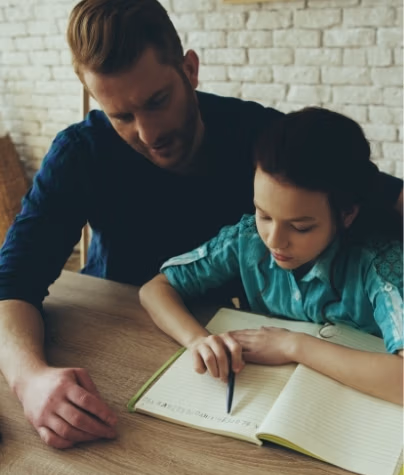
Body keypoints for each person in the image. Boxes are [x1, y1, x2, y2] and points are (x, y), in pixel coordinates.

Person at [0, 0, 402, 449]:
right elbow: (13, 279)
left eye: (158, 102)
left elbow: (381, 192)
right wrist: (29, 379)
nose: (148, 134)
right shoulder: (78, 153)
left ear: (189, 69)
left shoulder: (261, 138)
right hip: (119, 335)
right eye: (121, 116)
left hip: (233, 346)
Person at [139, 107, 403, 406]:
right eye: (264, 214)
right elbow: (155, 289)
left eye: (300, 227)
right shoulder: (247, 239)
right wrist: (198, 341)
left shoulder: (382, 264)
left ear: (347, 215)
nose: (274, 241)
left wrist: (294, 345)